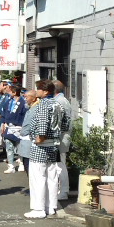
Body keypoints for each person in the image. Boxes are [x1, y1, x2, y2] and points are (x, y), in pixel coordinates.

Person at [24, 80, 70, 219]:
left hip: (41, 145)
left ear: (45, 91)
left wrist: (40, 138)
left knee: (38, 177)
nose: (36, 91)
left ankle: (38, 209)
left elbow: (43, 124)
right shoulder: (58, 104)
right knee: (51, 177)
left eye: (38, 89)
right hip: (54, 144)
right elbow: (65, 124)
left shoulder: (43, 105)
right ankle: (51, 206)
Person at [52, 80, 74, 200]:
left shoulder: (60, 101)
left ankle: (64, 191)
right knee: (58, 163)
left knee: (60, 163)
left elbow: (65, 121)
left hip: (61, 136)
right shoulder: (60, 100)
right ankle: (61, 190)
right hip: (60, 135)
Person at [1, 86, 27, 174]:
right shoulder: (8, 102)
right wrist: (3, 122)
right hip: (9, 127)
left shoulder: (23, 102)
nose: (8, 93)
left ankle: (21, 163)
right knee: (9, 146)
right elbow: (4, 112)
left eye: (9, 91)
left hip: (20, 127)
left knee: (20, 146)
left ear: (14, 92)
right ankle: (11, 165)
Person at [16, 90, 40, 175]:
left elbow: (29, 126)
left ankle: (33, 187)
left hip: (29, 140)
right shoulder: (31, 108)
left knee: (29, 167)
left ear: (33, 98)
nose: (25, 99)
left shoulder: (35, 109)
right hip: (26, 140)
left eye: (27, 97)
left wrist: (22, 132)